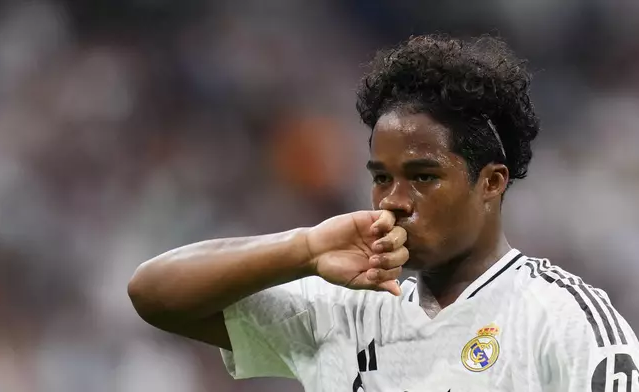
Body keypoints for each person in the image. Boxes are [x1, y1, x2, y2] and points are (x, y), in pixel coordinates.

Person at [128, 34, 639, 392]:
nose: (393, 199)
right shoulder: (341, 306)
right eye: (380, 177)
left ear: (490, 182)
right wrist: (304, 250)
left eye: (423, 177)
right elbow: (155, 295)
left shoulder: (563, 321)